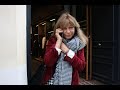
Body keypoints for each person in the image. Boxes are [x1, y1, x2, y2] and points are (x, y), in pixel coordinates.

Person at [41, 12, 88, 85]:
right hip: (52, 81)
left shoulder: (79, 43)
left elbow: (81, 66)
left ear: (75, 28)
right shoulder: (53, 40)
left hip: (71, 82)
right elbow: (48, 62)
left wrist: (67, 51)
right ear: (59, 29)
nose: (68, 32)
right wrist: (59, 42)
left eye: (70, 28)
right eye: (64, 28)